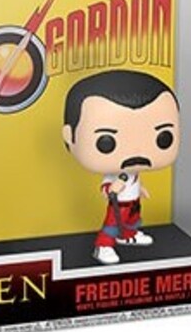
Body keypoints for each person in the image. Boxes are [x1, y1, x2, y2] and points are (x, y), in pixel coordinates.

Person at [63, 70, 180, 264]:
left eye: (163, 138)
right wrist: (112, 188)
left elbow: (133, 178)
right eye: (106, 142)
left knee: (132, 220)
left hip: (133, 201)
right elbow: (106, 188)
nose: (136, 151)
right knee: (112, 225)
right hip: (119, 204)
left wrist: (139, 188)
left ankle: (128, 235)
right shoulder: (114, 174)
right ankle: (103, 246)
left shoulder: (133, 171)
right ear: (70, 136)